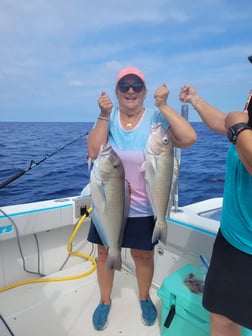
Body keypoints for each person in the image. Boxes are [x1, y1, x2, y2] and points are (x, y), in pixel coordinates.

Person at [87, 67, 197, 330]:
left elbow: (189, 138)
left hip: (145, 206)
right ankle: (104, 301)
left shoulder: (156, 117)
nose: (131, 91)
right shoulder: (109, 116)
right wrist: (103, 115)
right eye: (124, 86)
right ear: (117, 92)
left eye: (137, 86)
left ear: (145, 91)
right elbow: (93, 150)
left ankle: (145, 297)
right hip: (110, 204)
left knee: (143, 256)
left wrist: (164, 104)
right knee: (104, 253)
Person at [179, 83, 252, 336]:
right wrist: (195, 100)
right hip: (232, 239)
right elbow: (224, 122)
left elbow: (234, 127)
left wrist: (238, 129)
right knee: (222, 317)